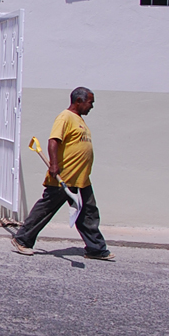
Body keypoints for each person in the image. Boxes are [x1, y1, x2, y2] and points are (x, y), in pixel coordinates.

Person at [10, 87, 114, 261]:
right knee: (46, 209)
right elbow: (53, 141)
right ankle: (22, 240)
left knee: (88, 213)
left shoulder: (79, 120)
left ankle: (95, 249)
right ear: (79, 101)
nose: (92, 106)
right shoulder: (65, 117)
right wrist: (54, 165)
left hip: (81, 178)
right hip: (64, 177)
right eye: (90, 102)